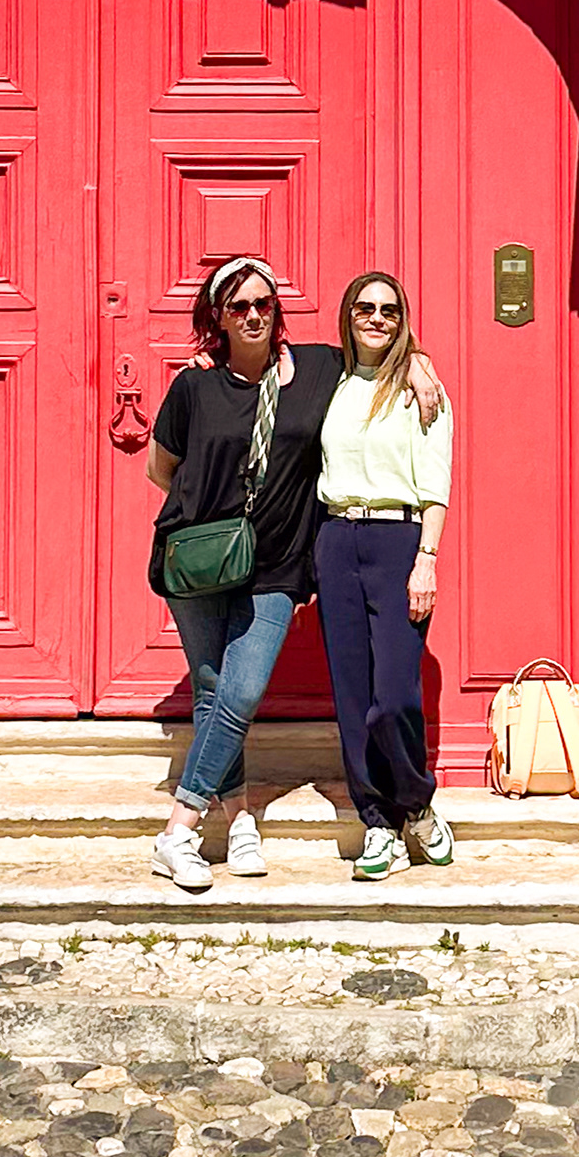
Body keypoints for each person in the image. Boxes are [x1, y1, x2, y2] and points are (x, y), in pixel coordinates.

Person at [145, 257, 439, 894]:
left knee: (241, 693)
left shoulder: (316, 370)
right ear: (217, 317)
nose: (254, 315)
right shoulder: (193, 386)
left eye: (264, 304)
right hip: (197, 560)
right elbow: (161, 470)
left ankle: (177, 831)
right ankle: (239, 814)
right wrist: (210, 510)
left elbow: (379, 346)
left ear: (277, 311)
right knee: (212, 689)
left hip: (277, 563)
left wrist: (421, 360)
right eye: (239, 306)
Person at [315, 272, 456, 882]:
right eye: (366, 308)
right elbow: (259, 352)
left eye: (390, 311)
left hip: (399, 541)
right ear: (348, 315)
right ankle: (377, 823)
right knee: (352, 696)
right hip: (336, 539)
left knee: (394, 694)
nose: (377, 318)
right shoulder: (327, 381)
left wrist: (427, 558)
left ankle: (417, 804)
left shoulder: (423, 391)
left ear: (403, 320)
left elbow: (436, 484)